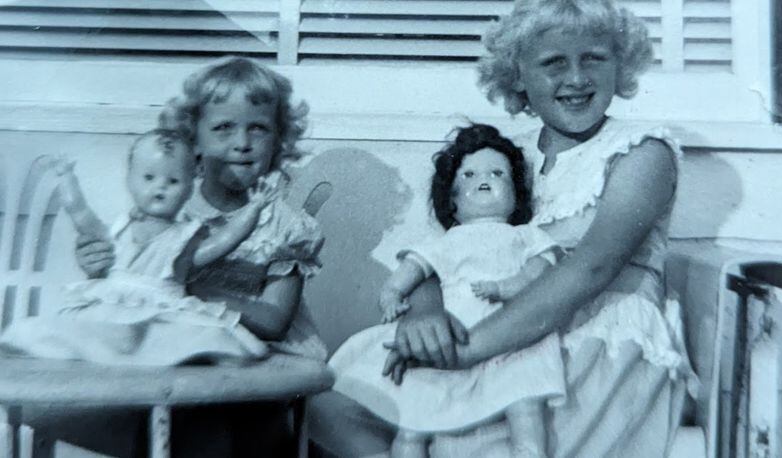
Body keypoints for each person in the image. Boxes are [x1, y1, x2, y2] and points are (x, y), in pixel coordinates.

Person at [308, 0, 698, 456]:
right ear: (517, 77)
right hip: (487, 323)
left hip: (595, 336)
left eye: (594, 57)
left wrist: (469, 352)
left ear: (621, 65)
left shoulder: (640, 153)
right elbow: (444, 249)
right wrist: (425, 311)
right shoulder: (505, 159)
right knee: (331, 400)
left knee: (472, 437)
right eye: (554, 63)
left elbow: (590, 270)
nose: (576, 78)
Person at [75, 56, 327, 457]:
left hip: (257, 367)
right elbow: (128, 276)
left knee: (218, 430)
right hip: (175, 363)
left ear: (279, 141)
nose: (242, 143)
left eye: (258, 128)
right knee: (136, 411)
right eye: (223, 127)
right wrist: (99, 268)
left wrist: (185, 295)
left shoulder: (285, 226)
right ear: (192, 139)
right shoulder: (170, 212)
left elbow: (274, 321)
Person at [332, 124, 564, 458]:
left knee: (526, 411)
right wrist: (392, 297)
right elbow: (407, 274)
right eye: (469, 175)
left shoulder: (526, 236)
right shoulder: (446, 242)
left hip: (514, 335)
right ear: (451, 201)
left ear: (516, 196)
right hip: (451, 334)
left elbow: (541, 269)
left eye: (498, 173)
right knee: (414, 417)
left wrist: (508, 286)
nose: (484, 179)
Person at [0, 129, 273, 365]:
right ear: (130, 179)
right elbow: (80, 213)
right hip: (110, 304)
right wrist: (67, 179)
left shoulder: (185, 236)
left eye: (173, 181)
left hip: (161, 308)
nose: (160, 188)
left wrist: (255, 208)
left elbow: (222, 242)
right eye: (149, 177)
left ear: (190, 186)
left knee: (201, 337)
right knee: (76, 331)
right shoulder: (117, 228)